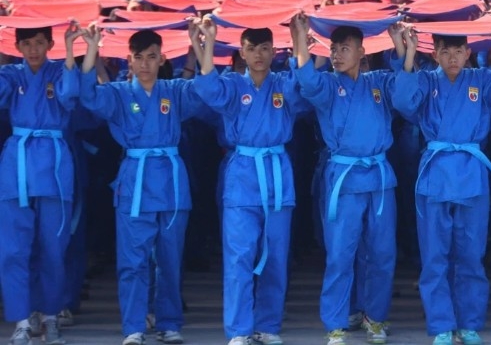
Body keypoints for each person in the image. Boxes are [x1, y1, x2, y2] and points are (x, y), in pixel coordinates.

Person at [392, 26, 491, 345]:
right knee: (435, 255)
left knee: (471, 254)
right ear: (435, 54)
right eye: (445, 52)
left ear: (468, 52)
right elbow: (402, 101)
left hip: (471, 174)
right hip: (435, 176)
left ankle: (469, 323)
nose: (452, 58)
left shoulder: (482, 80)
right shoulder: (427, 81)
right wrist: (409, 53)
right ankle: (442, 324)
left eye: (458, 51)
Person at [79, 26, 204, 345]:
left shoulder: (174, 89)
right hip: (135, 182)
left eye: (152, 56)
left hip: (171, 185)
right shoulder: (118, 93)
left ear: (162, 58)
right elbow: (88, 96)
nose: (146, 63)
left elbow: (205, 91)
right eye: (139, 57)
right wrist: (92, 50)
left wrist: (198, 47)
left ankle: (169, 322)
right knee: (132, 260)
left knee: (170, 259)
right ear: (128, 60)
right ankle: (133, 326)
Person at [289, 13, 405, 345]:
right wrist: (300, 38)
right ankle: (336, 322)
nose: (337, 55)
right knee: (341, 252)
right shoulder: (328, 85)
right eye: (334, 48)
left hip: (380, 179)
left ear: (361, 51)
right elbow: (307, 81)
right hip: (344, 177)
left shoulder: (379, 83)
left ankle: (375, 317)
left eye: (345, 48)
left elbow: (405, 89)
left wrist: (399, 44)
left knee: (381, 252)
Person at [189, 18, 304, 345]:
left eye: (264, 49)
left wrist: (298, 41)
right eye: (251, 48)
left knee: (276, 253)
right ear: (241, 51)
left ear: (273, 51)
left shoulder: (283, 83)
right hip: (242, 177)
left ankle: (267, 325)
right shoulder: (232, 85)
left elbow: (305, 86)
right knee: (239, 255)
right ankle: (239, 330)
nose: (258, 55)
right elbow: (207, 89)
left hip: (277, 175)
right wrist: (207, 42)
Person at [0, 25, 82, 345]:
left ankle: (50, 316)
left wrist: (72, 52)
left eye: (38, 43)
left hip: (53, 168)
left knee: (53, 248)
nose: (33, 49)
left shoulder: (62, 70)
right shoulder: (11, 74)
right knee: (14, 250)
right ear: (17, 46)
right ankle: (22, 320)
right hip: (16, 169)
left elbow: (70, 97)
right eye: (26, 44)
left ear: (50, 43)